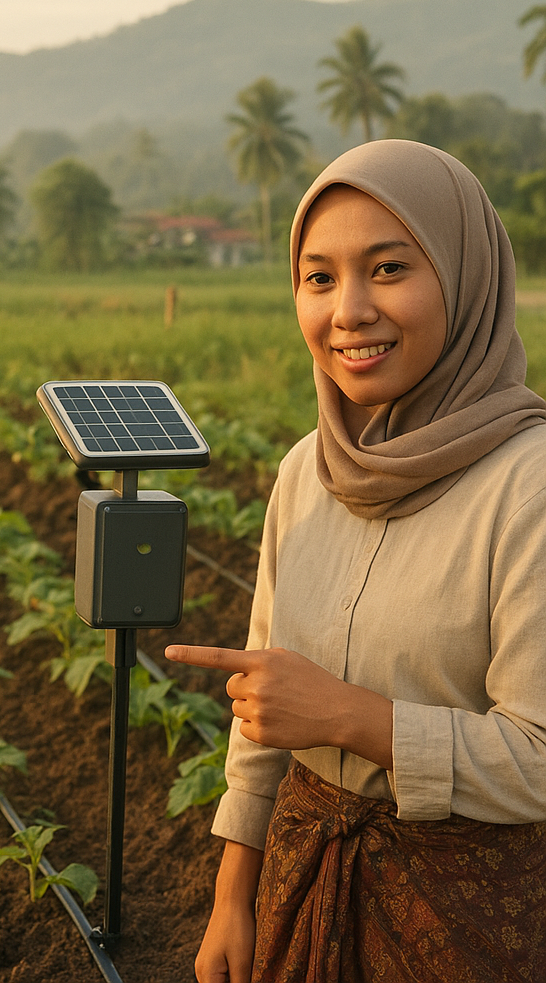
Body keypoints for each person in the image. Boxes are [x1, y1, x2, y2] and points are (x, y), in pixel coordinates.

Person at [166, 139, 546, 982]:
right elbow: (267, 703)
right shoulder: (308, 469)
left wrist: (349, 718)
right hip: (299, 879)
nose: (350, 311)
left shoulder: (528, 488)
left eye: (388, 268)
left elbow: (538, 760)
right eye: (320, 277)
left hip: (466, 913)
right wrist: (233, 896)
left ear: (465, 275)